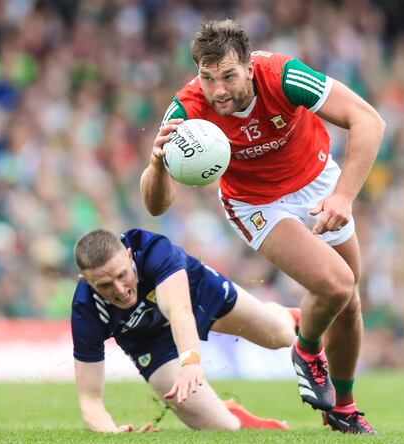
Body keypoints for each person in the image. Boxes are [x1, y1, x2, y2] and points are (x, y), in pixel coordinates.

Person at [140, 19, 384, 434]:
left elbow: (368, 120)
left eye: (229, 76)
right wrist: (157, 166)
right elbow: (156, 206)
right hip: (255, 203)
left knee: (350, 304)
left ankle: (342, 409)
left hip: (317, 181)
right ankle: (306, 350)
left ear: (249, 67)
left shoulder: (284, 75)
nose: (218, 90)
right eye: (207, 77)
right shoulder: (185, 111)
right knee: (338, 284)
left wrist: (342, 196)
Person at [71, 227, 297, 432]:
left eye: (122, 275)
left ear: (129, 256)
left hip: (196, 295)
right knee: (223, 428)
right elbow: (90, 400)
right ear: (86, 281)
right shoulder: (85, 310)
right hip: (149, 341)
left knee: (281, 336)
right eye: (105, 285)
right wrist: (112, 434)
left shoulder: (152, 249)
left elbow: (179, 310)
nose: (120, 290)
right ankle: (229, 412)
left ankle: (285, 315)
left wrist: (190, 363)